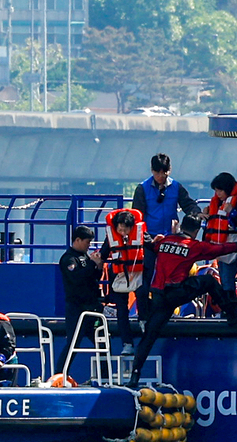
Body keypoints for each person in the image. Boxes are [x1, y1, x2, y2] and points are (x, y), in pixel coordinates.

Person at [128, 213, 237, 387]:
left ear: (181, 226)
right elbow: (220, 249)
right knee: (210, 281)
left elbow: (151, 244)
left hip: (158, 297)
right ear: (196, 231)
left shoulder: (163, 242)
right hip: (178, 293)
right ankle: (232, 313)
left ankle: (134, 375)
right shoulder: (194, 245)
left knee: (149, 336)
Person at [131, 153, 201, 321]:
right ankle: (144, 316)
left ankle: (167, 313)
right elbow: (137, 218)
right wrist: (148, 239)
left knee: (170, 278)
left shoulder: (176, 187)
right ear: (152, 171)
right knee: (145, 277)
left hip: (170, 241)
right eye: (157, 173)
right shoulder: (142, 188)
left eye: (164, 173)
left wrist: (197, 214)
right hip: (150, 241)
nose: (161, 177)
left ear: (169, 171)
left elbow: (188, 204)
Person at [55, 225, 104, 377]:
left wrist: (99, 267)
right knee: (73, 343)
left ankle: (105, 376)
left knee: (101, 342)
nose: (89, 245)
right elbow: (76, 278)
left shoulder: (86, 258)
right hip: (77, 308)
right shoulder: (69, 258)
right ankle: (59, 375)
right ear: (77, 240)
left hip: (92, 307)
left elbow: (93, 277)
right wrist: (92, 264)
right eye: (87, 242)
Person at [99, 208, 146, 355]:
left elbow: (153, 247)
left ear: (132, 227)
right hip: (119, 277)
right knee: (121, 310)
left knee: (143, 296)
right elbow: (103, 253)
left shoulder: (142, 235)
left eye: (125, 228)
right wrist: (97, 259)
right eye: (119, 228)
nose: (122, 231)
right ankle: (127, 343)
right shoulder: (111, 238)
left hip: (138, 274)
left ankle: (144, 321)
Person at [203, 172, 237, 298]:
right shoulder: (217, 203)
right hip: (219, 248)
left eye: (220, 190)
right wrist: (207, 216)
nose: (218, 194)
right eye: (216, 191)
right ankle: (227, 308)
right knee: (224, 279)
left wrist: (232, 212)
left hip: (232, 247)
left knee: (228, 279)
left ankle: (230, 309)